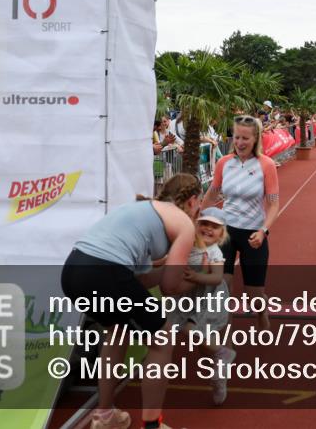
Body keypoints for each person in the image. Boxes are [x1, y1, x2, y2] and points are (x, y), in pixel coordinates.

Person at [60, 174, 202, 429]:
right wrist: (196, 278)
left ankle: (105, 416)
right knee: (163, 339)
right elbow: (169, 287)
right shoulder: (185, 224)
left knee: (118, 331)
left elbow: (141, 281)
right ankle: (152, 424)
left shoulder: (143, 209)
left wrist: (173, 269)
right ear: (193, 201)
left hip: (74, 270)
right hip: (106, 271)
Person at [200, 115, 280, 332]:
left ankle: (261, 312)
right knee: (222, 286)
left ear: (255, 139)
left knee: (254, 296)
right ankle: (225, 337)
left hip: (254, 235)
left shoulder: (267, 165)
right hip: (226, 233)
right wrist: (197, 220)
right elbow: (211, 195)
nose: (240, 143)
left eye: (245, 138)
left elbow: (273, 205)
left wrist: (263, 231)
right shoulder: (224, 163)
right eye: (236, 137)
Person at [171, 206, 235, 405]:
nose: (208, 229)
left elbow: (216, 278)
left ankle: (223, 354)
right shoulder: (188, 244)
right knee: (203, 344)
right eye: (204, 224)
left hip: (210, 296)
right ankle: (219, 375)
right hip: (189, 295)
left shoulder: (214, 252)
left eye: (214, 227)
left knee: (189, 328)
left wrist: (197, 275)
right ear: (196, 225)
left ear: (221, 234)